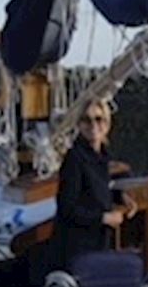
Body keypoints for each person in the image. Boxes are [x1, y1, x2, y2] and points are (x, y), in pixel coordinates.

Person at [53, 100, 137, 271]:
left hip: (98, 243)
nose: (93, 125)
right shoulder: (75, 159)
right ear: (79, 125)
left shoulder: (102, 156)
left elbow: (97, 188)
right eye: (86, 120)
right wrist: (103, 218)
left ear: (107, 124)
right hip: (79, 248)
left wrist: (121, 197)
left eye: (99, 119)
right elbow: (66, 208)